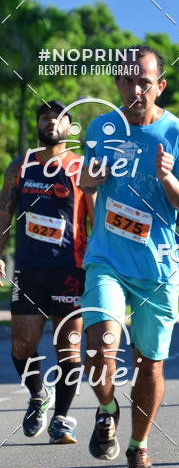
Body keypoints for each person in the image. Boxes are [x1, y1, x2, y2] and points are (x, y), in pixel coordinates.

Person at [79, 46, 179, 468]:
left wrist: (167, 178)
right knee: (101, 344)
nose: (135, 90)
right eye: (128, 81)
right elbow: (86, 182)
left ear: (159, 86)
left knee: (150, 363)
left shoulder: (178, 135)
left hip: (157, 267)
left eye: (144, 82)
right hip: (107, 258)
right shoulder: (101, 127)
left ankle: (139, 447)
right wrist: (90, 178)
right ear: (117, 83)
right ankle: (107, 407)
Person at [0, 100, 93, 443]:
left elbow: (95, 220)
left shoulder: (81, 168)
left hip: (71, 270)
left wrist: (99, 267)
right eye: (45, 118)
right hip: (29, 270)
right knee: (22, 344)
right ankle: (39, 394)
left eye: (58, 119)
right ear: (38, 125)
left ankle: (62, 419)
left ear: (69, 127)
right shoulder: (20, 167)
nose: (51, 123)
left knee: (68, 348)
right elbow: (4, 213)